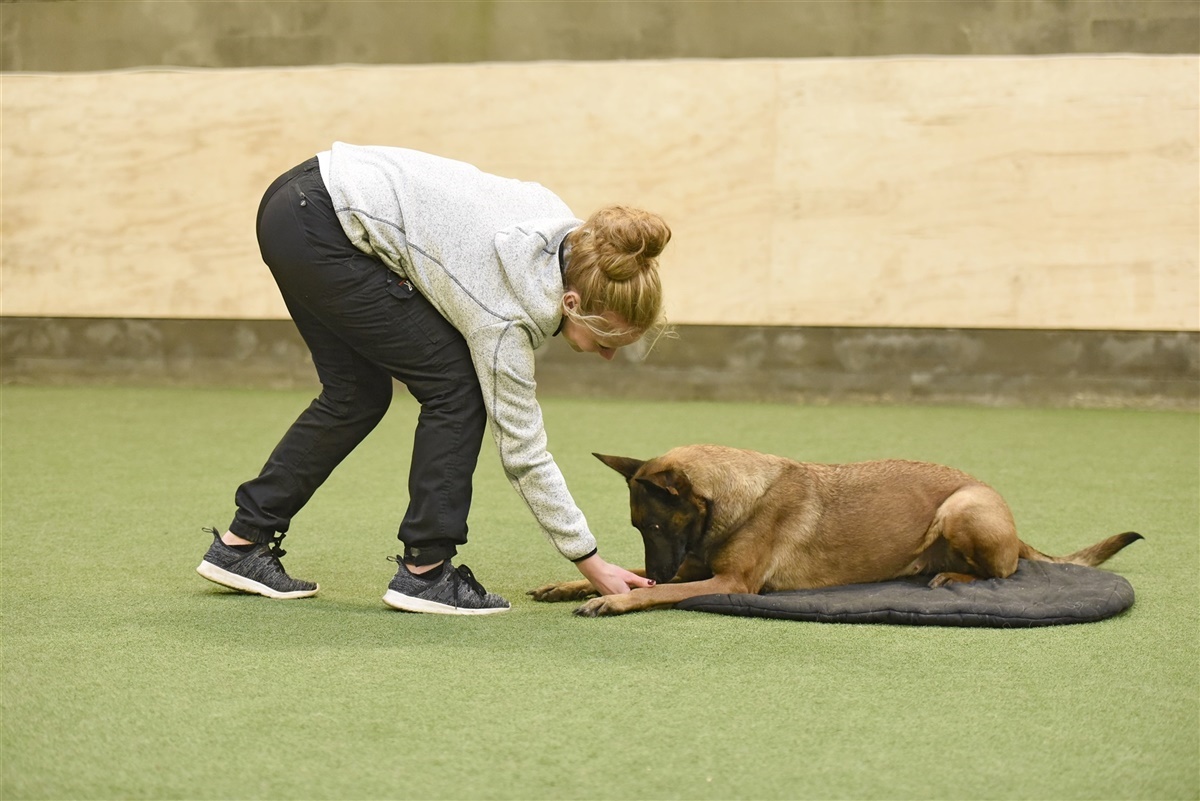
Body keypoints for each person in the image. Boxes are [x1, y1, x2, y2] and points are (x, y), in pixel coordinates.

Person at [196, 142, 670, 615]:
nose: (607, 356)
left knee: (356, 393)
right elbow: (524, 453)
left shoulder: (572, 237)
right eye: (606, 339)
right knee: (457, 388)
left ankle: (242, 544)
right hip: (326, 222)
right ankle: (426, 572)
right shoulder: (502, 317)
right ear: (571, 303)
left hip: (297, 202)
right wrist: (591, 561)